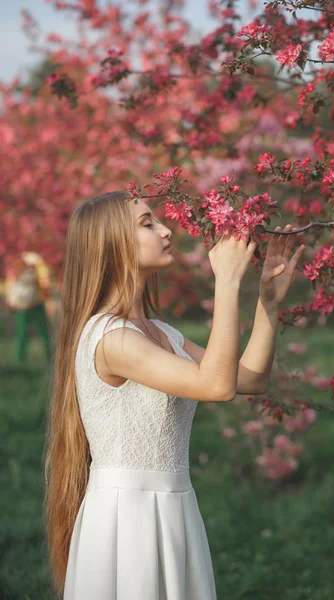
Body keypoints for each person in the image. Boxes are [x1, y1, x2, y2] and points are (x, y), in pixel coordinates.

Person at [43, 189, 304, 599]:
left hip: (174, 505)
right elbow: (215, 387)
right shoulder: (111, 340)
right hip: (127, 516)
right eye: (147, 223)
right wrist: (227, 282)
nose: (166, 230)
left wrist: (267, 303)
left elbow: (247, 380)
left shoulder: (161, 333)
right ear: (111, 245)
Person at [4, 253, 52, 364]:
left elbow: (45, 287)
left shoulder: (37, 274)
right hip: (22, 309)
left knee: (45, 334)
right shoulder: (14, 277)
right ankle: (21, 360)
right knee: (22, 335)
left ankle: (49, 357)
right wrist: (11, 302)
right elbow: (10, 292)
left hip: (37, 307)